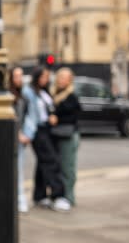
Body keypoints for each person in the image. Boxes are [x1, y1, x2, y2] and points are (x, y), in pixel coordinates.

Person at [21, 66, 71, 212]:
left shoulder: (44, 92)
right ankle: (58, 196)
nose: (46, 79)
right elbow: (26, 114)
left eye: (47, 77)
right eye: (43, 77)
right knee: (51, 161)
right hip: (37, 131)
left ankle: (39, 196)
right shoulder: (28, 92)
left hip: (48, 129)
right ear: (36, 77)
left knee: (43, 163)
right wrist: (25, 132)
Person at [51, 67, 81, 206]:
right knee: (59, 167)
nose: (60, 79)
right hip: (57, 135)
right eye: (59, 76)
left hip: (68, 135)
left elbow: (74, 117)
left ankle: (69, 197)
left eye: (64, 77)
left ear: (70, 80)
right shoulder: (55, 93)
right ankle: (60, 195)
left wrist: (57, 118)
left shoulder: (71, 96)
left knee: (68, 168)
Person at [9, 66, 30, 213]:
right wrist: (17, 132)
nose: (19, 79)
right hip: (10, 139)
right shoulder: (8, 96)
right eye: (16, 76)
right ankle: (15, 199)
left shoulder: (24, 95)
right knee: (11, 171)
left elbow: (26, 117)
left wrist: (25, 133)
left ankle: (20, 199)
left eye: (21, 76)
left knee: (19, 171)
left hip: (19, 141)